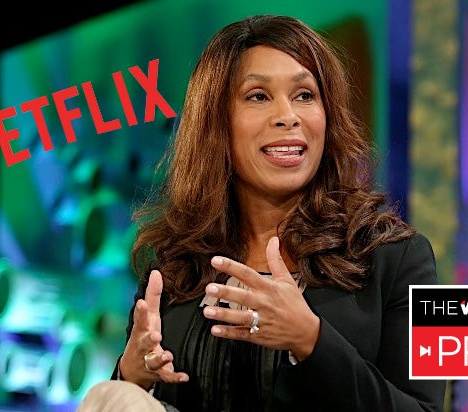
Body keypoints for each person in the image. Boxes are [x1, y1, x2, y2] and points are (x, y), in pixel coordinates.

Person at [78, 13, 446, 412]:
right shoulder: (173, 265)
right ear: (217, 122)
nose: (288, 115)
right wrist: (131, 374)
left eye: (305, 95)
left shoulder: (404, 257)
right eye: (258, 96)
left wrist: (312, 341)